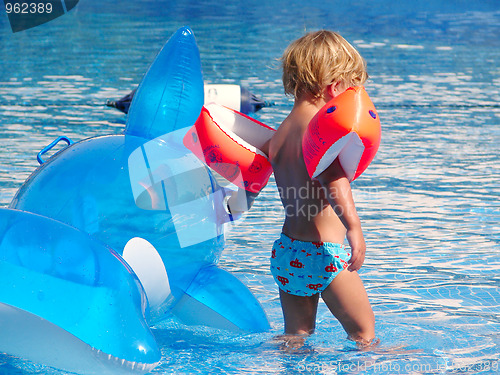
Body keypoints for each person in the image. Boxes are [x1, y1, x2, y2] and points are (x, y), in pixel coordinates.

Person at [263, 30, 377, 348]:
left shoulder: (281, 132)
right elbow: (333, 181)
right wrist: (354, 227)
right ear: (333, 87)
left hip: (288, 251)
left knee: (296, 337)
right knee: (363, 334)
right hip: (324, 253)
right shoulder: (318, 129)